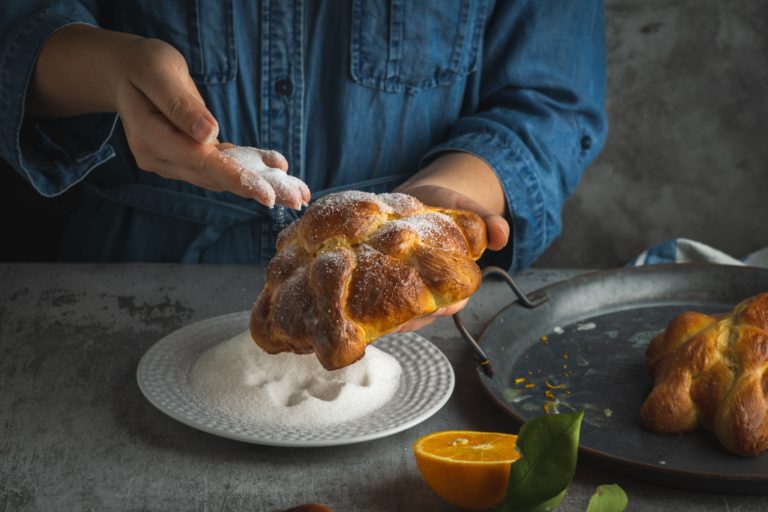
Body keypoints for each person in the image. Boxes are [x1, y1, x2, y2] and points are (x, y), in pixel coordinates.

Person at [0, 1, 607, 328]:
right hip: (123, 302)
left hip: (400, 317)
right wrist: (112, 68)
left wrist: (441, 195)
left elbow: (550, 100)